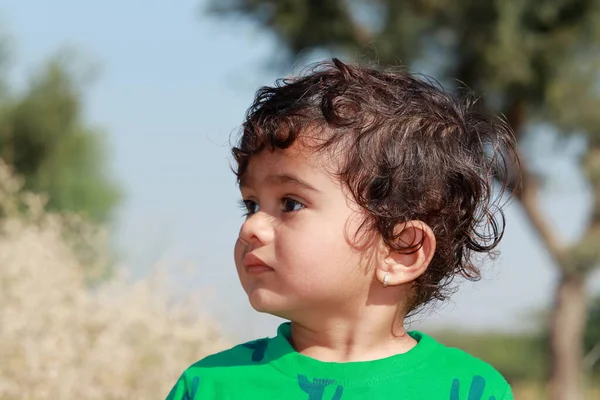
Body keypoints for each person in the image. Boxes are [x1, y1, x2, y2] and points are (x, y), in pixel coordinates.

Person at [166, 58, 518, 400]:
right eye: (252, 205)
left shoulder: (474, 389)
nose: (252, 227)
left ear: (401, 250)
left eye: (291, 203)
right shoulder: (212, 386)